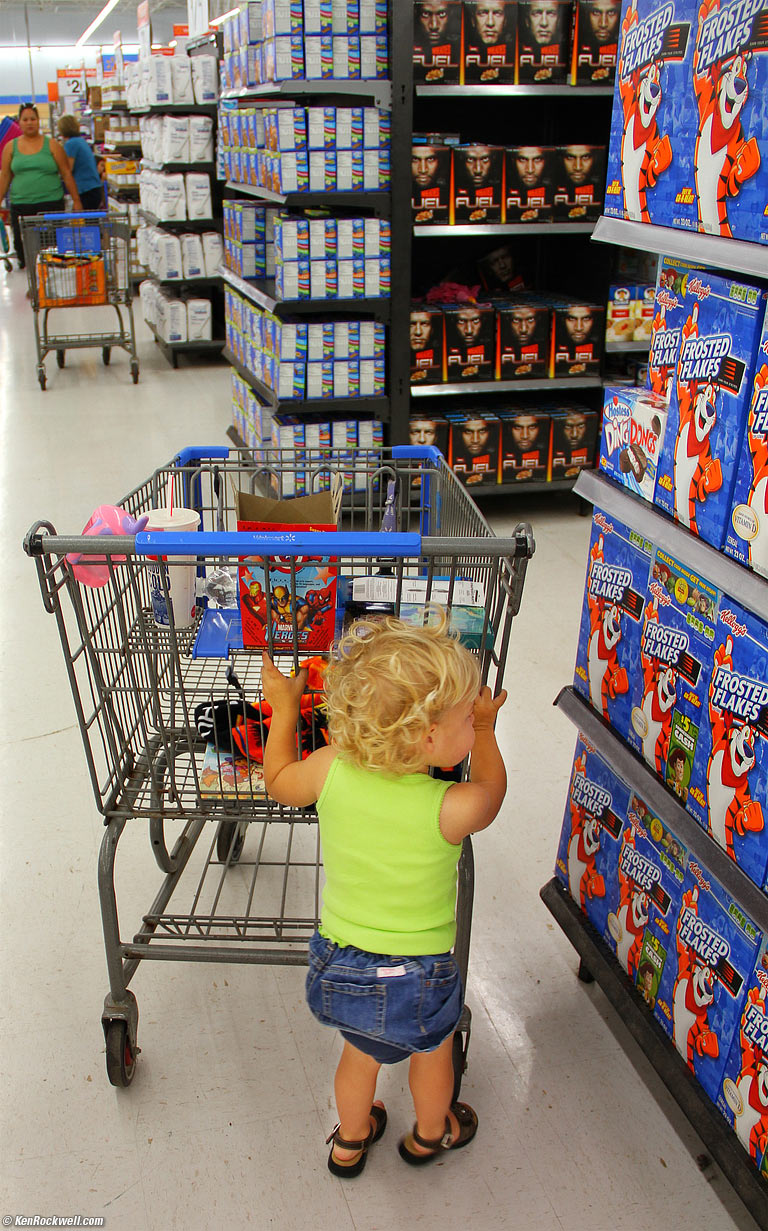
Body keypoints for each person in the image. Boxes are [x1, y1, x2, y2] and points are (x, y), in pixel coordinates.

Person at [261, 614, 507, 1175]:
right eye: (468, 715)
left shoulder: (329, 771)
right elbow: (491, 792)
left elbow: (277, 779)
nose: (475, 719)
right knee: (431, 1054)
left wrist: (282, 709)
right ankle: (429, 1132)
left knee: (360, 1057)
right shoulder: (448, 807)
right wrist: (489, 734)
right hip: (419, 975)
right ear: (427, 737)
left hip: (340, 963)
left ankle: (349, 1141)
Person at [0, 103, 82, 270]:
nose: (29, 123)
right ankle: (33, 286)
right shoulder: (10, 148)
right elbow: (5, 176)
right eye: (25, 119)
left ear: (38, 121)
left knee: (52, 251)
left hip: (50, 205)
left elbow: (66, 174)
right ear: (20, 122)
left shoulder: (52, 145)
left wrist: (77, 201)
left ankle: (50, 285)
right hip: (21, 207)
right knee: (24, 251)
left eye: (33, 119)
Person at [57, 114, 105, 210]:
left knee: (84, 222)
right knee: (91, 222)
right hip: (93, 188)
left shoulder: (71, 144)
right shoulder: (80, 141)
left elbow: (68, 169)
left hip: (86, 191)